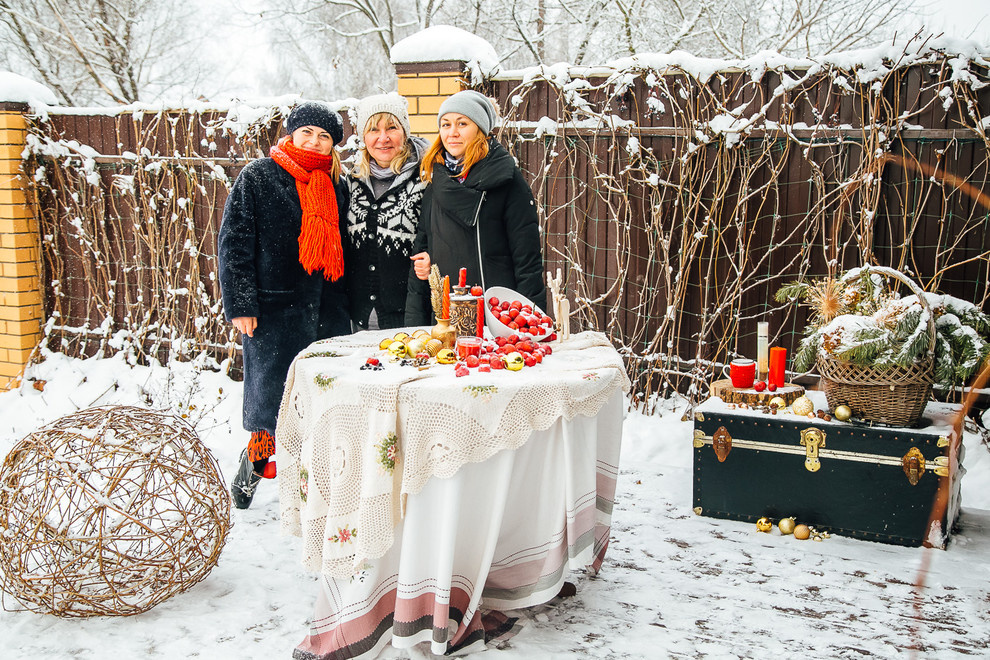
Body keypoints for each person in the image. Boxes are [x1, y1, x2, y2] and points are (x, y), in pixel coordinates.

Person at [218, 101, 351, 510]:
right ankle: (253, 469)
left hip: (326, 311)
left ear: (333, 146)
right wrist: (241, 303)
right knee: (270, 405)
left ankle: (311, 487)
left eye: (324, 136)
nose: (314, 141)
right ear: (291, 133)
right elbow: (233, 245)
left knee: (320, 402)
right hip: (273, 312)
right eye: (307, 132)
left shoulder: (337, 185)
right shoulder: (257, 177)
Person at [405, 90, 546, 326]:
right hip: (446, 318)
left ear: (480, 129)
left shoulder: (507, 181)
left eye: (462, 123)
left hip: (498, 316)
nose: (452, 133)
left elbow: (527, 262)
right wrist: (415, 325)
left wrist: (531, 324)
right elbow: (422, 254)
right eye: (446, 124)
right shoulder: (436, 182)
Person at [344, 93, 429, 330]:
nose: (383, 138)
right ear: (363, 137)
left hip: (411, 317)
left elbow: (442, 238)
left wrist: (433, 259)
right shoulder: (351, 182)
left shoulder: (427, 179)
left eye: (392, 128)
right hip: (357, 319)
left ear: (405, 132)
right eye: (373, 130)